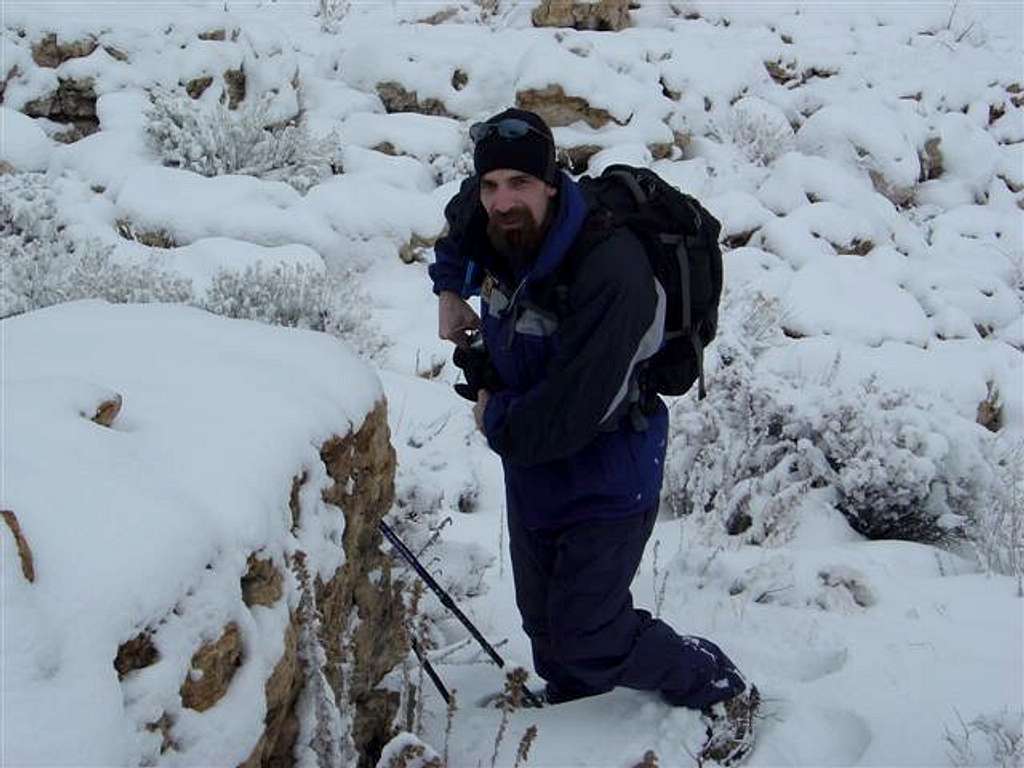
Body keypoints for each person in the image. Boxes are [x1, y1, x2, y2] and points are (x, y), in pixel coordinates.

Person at [429, 107, 759, 763]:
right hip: (534, 469)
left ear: (552, 181)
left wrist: (492, 414)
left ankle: (716, 684)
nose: (501, 201)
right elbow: (457, 227)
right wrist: (448, 288)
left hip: (610, 468)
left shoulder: (614, 269)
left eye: (518, 185)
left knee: (588, 631)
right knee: (543, 623)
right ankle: (575, 717)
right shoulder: (489, 217)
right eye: (491, 184)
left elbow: (575, 412)